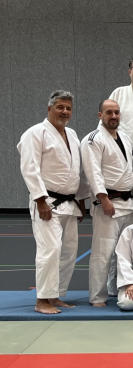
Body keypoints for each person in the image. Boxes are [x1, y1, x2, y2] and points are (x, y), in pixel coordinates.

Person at [18, 90, 88, 314]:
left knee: (68, 250)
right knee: (50, 249)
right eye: (60, 107)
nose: (64, 112)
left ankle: (55, 295)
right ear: (49, 109)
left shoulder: (73, 134)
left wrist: (82, 200)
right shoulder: (35, 133)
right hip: (47, 201)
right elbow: (29, 168)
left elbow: (77, 171)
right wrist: (40, 200)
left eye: (68, 108)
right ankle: (42, 300)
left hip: (70, 202)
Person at [80, 100, 133, 306]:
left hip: (128, 203)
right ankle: (97, 296)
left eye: (116, 112)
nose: (113, 116)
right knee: (103, 251)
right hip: (108, 203)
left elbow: (131, 171)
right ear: (100, 115)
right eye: (109, 112)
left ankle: (115, 288)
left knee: (124, 252)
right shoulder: (92, 139)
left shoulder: (124, 137)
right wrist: (102, 198)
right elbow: (92, 171)